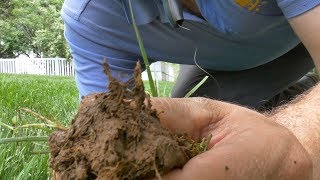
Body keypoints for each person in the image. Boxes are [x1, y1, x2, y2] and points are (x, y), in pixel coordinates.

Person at [61, 0, 320, 179]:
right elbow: (109, 130)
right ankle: (291, 95)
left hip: (300, 41)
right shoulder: (90, 19)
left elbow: (290, 150)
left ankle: (309, 90)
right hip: (221, 57)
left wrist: (296, 140)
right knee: (186, 119)